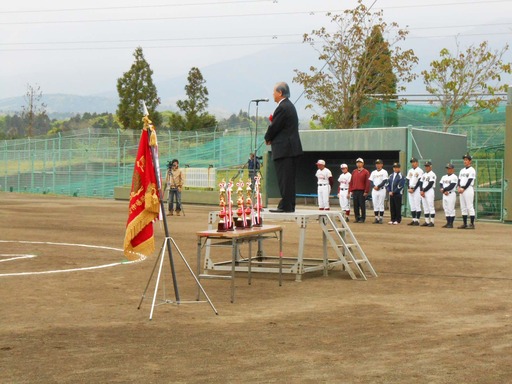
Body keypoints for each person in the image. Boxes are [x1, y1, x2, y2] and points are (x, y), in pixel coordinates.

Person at [264, 82, 303, 213]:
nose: (273, 94)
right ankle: (289, 205)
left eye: (274, 92)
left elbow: (275, 126)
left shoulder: (283, 107)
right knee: (289, 179)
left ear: (280, 93)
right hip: (291, 149)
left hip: (285, 149)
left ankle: (285, 206)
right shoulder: (289, 106)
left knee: (285, 179)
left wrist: (267, 137)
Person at [348, 158, 370, 223]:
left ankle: (363, 218)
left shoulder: (366, 172)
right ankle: (357, 217)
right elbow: (351, 182)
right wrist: (350, 190)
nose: (358, 163)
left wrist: (366, 191)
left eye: (360, 162)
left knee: (362, 205)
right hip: (355, 190)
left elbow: (367, 182)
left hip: (361, 191)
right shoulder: (354, 171)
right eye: (357, 162)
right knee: (355, 205)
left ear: (363, 164)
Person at [457, 154, 476, 229]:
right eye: (464, 160)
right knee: (463, 207)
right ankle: (464, 223)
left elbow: (469, 180)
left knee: (469, 206)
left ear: (470, 161)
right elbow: (459, 180)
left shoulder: (472, 170)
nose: (465, 161)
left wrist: (463, 188)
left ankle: (472, 224)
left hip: (468, 189)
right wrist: (459, 187)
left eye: (466, 160)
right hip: (461, 189)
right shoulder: (462, 170)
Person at [369, 159, 389, 224]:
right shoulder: (373, 172)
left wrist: (378, 186)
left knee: (381, 203)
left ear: (382, 164)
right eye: (377, 164)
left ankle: (381, 218)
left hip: (381, 189)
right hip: (374, 190)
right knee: (375, 203)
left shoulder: (384, 172)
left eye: (379, 163)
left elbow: (384, 181)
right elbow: (371, 181)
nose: (378, 165)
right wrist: (374, 186)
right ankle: (376, 218)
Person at [406, 157, 424, 226]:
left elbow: (419, 181)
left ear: (417, 163)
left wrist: (414, 189)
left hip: (416, 189)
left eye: (414, 162)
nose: (413, 163)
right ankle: (414, 220)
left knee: (417, 205)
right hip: (410, 189)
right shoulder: (410, 170)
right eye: (412, 162)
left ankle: (418, 220)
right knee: (412, 205)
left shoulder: (420, 170)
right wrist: (408, 188)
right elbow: (407, 180)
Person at [440, 163, 458, 228]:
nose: (448, 170)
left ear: (452, 169)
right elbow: (441, 184)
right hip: (445, 194)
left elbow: (452, 186)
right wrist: (443, 190)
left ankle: (451, 223)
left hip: (451, 194)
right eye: (447, 168)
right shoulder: (444, 177)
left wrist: (444, 190)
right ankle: (447, 223)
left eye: (449, 168)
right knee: (446, 208)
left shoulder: (454, 177)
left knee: (451, 209)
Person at [419, 161, 436, 227]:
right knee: (425, 207)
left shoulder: (432, 174)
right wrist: (421, 190)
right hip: (423, 191)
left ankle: (432, 222)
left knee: (430, 206)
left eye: (428, 166)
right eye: (425, 166)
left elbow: (430, 184)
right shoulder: (424, 174)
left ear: (430, 166)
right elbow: (420, 183)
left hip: (429, 191)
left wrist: (423, 190)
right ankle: (427, 221)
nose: (426, 167)